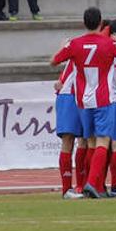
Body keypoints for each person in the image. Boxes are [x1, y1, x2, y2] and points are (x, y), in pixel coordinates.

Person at [51, 7, 116, 199]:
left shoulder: (74, 44)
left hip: (82, 100)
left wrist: (63, 48)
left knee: (86, 141)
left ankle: (78, 186)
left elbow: (54, 61)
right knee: (103, 141)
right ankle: (93, 184)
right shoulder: (109, 44)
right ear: (101, 23)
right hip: (103, 98)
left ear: (84, 23)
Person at [51, 57, 85, 199]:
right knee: (68, 139)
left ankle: (82, 186)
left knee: (88, 140)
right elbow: (55, 59)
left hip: (87, 95)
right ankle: (66, 189)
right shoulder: (78, 44)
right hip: (69, 95)